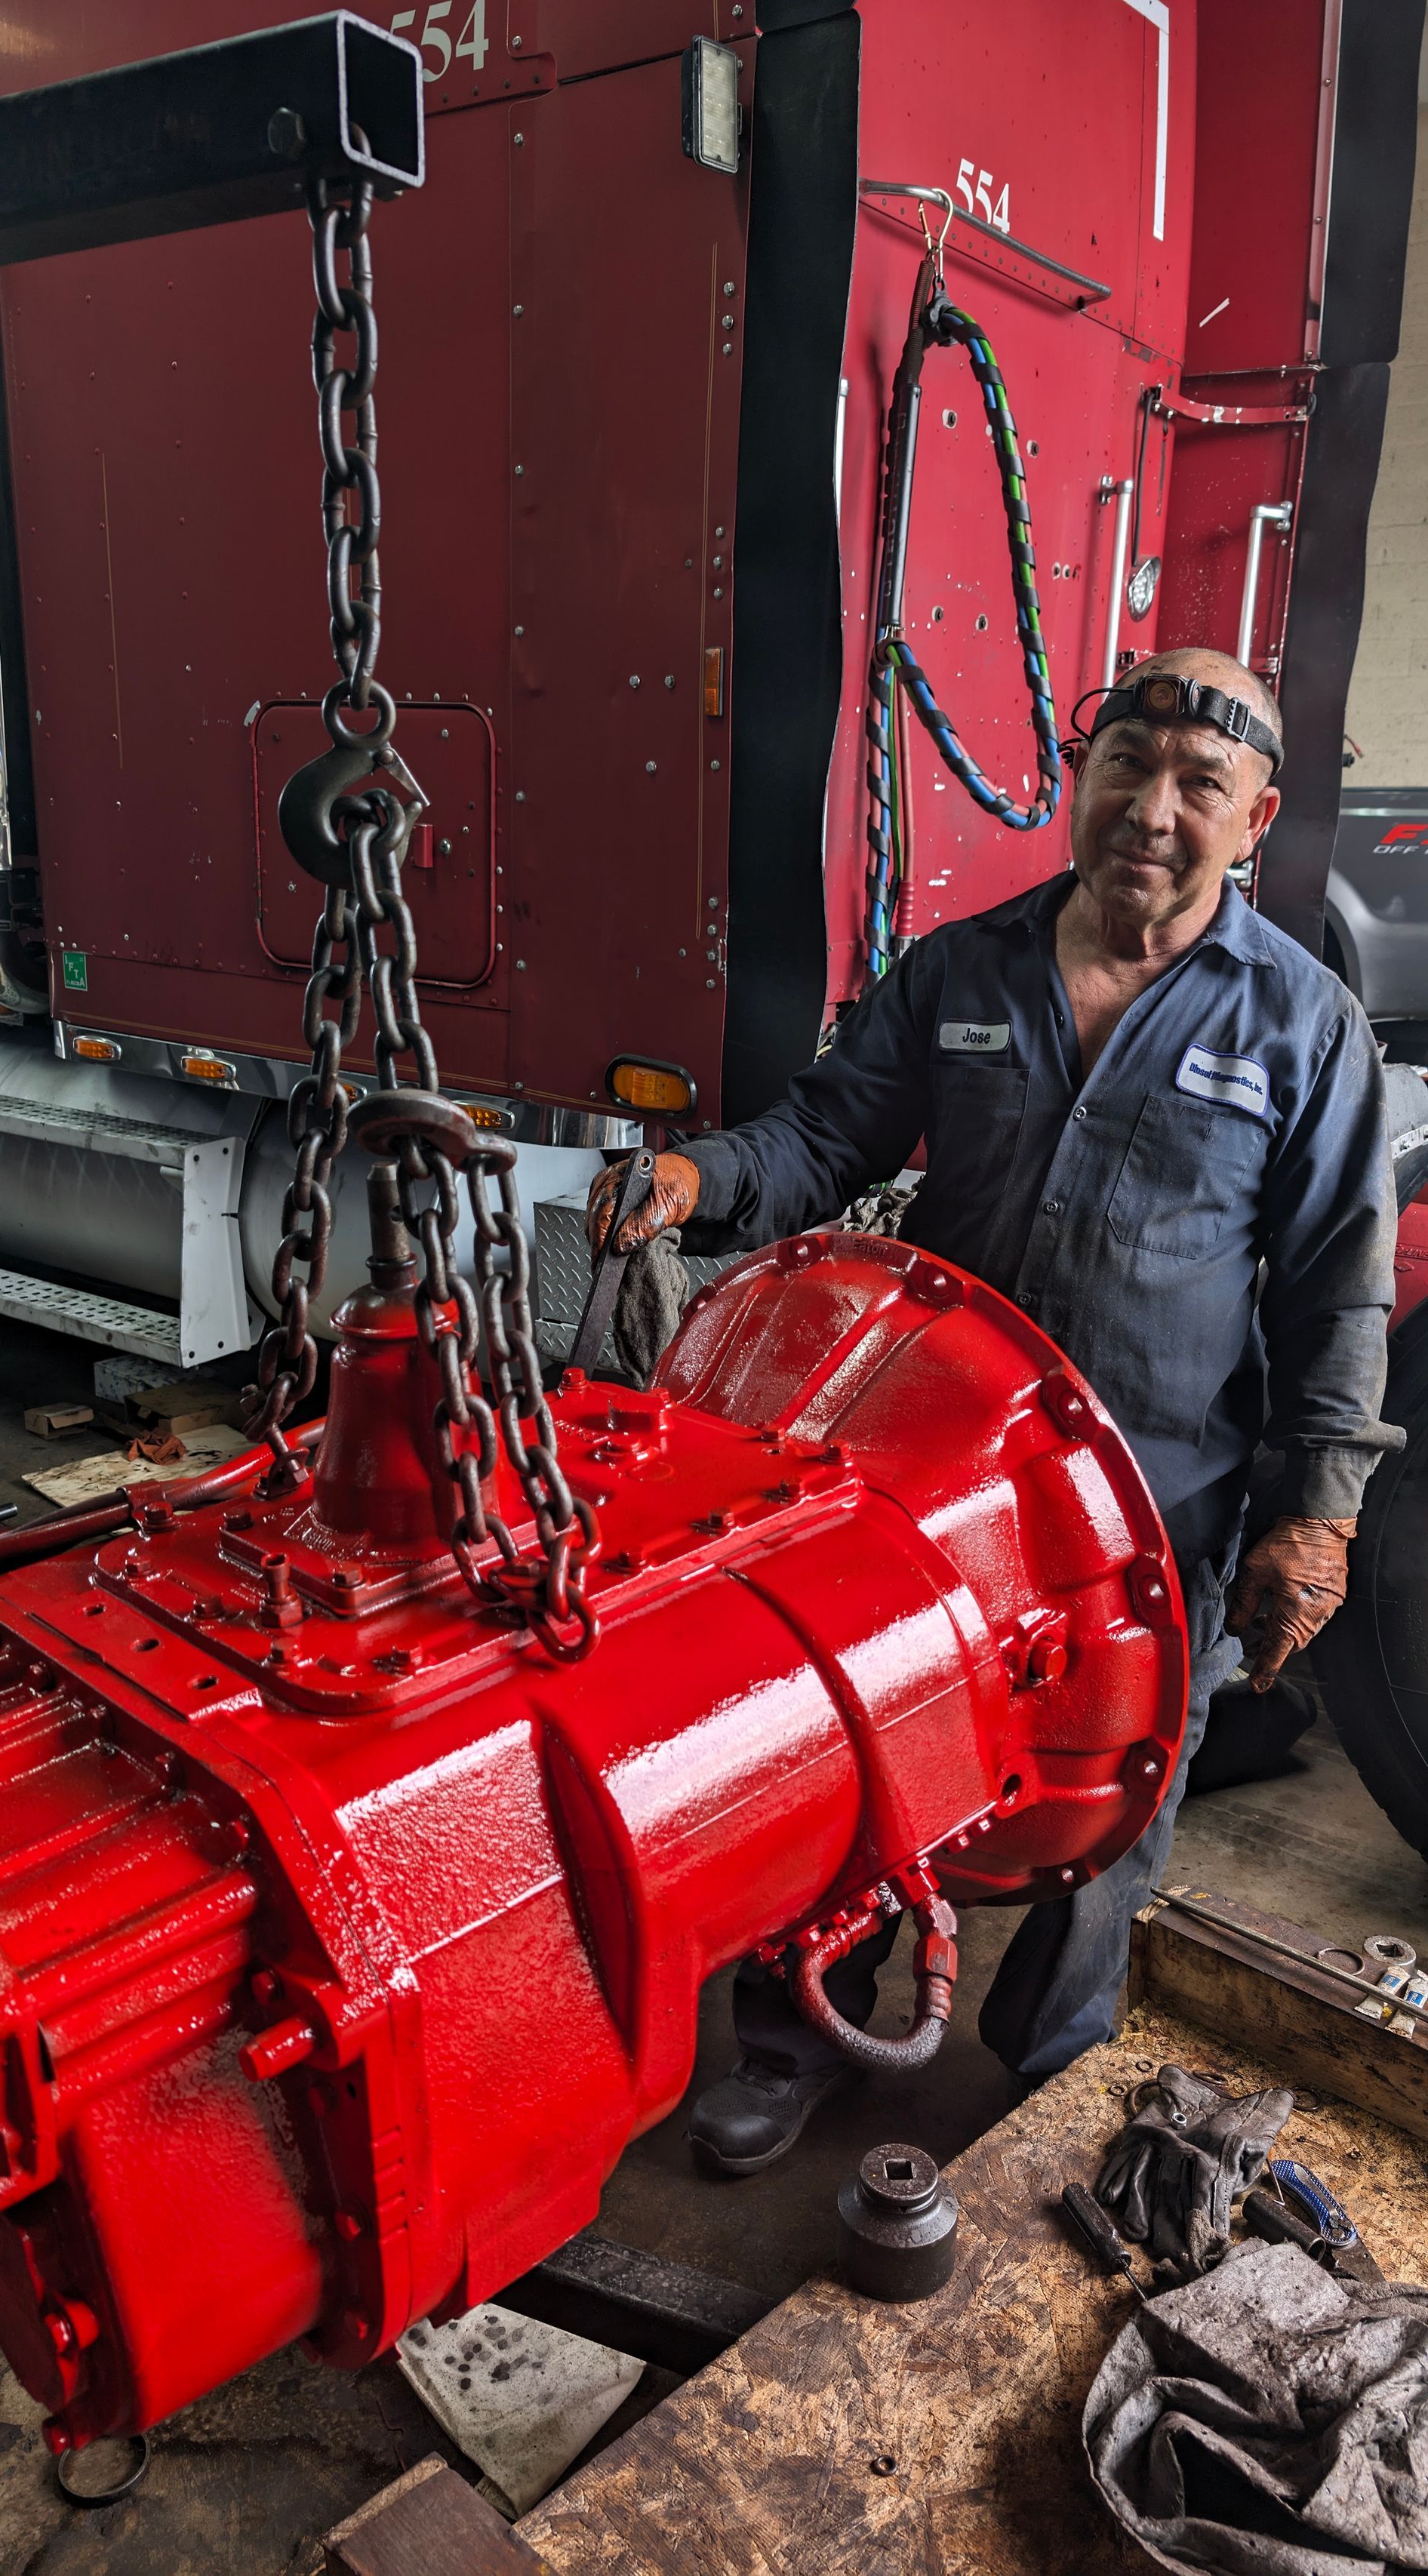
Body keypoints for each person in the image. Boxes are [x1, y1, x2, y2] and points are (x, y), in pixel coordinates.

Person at [587, 647, 1402, 2174]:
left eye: (1197, 787)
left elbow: (1337, 1293)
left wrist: (1319, 1513)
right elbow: (827, 1133)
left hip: (1152, 1509)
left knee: (1110, 1803)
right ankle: (792, 2045)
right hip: (922, 1495)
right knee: (841, 1771)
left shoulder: (1302, 1028)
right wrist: (701, 1177)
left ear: (1255, 817)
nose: (1150, 811)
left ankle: (1043, 2070)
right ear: (1080, 780)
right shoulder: (962, 972)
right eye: (1124, 769)